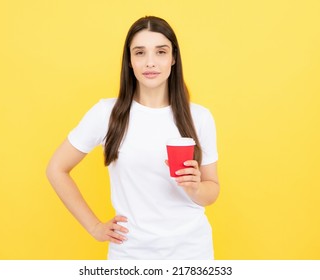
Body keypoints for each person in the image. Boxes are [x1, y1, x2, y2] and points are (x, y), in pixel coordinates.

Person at [46, 16, 219, 260]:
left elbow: (212, 191)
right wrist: (94, 227)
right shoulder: (107, 113)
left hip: (191, 253)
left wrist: (195, 187)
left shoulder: (199, 117)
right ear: (129, 60)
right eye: (140, 53)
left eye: (160, 52)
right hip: (130, 255)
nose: (150, 62)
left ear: (173, 58)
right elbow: (56, 168)